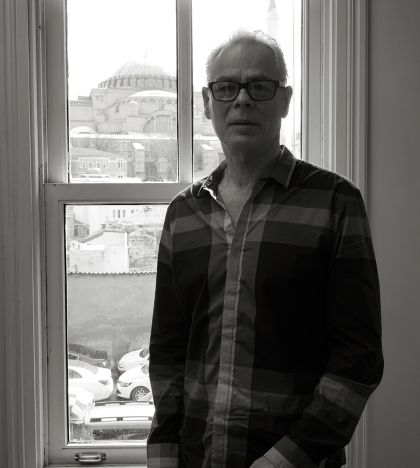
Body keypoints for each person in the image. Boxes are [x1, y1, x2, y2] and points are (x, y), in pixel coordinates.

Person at [147, 30, 383, 468]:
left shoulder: (334, 203)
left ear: (285, 100)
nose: (242, 100)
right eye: (226, 87)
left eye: (260, 86)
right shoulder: (183, 213)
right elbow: (167, 351)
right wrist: (162, 453)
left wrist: (283, 460)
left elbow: (358, 362)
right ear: (207, 103)